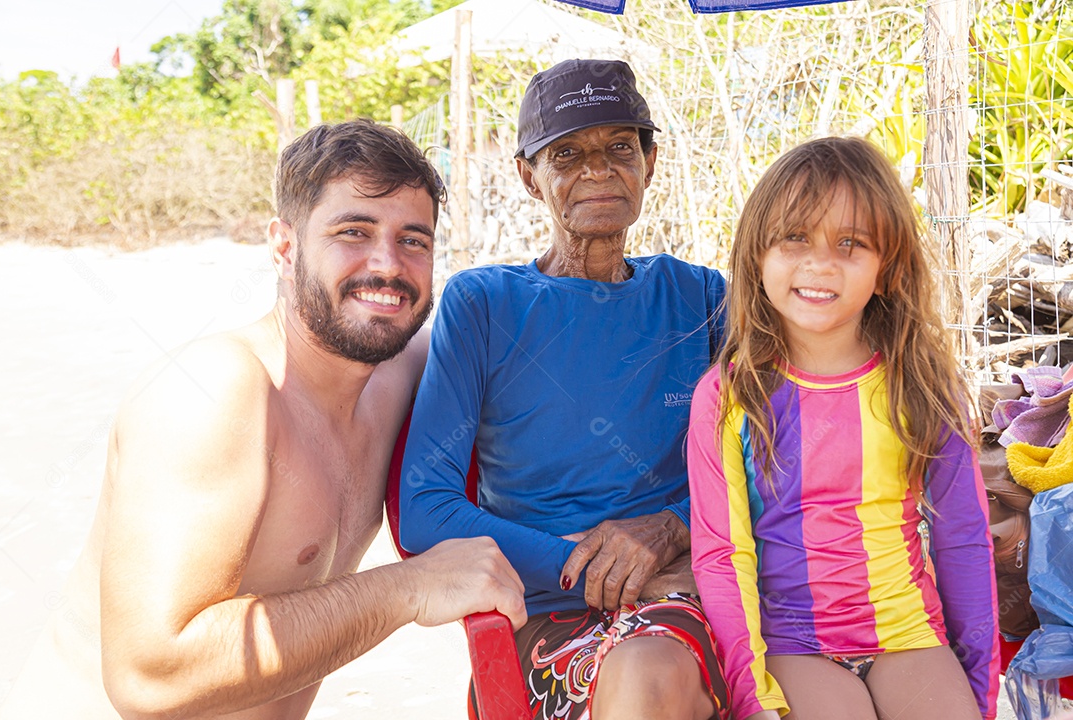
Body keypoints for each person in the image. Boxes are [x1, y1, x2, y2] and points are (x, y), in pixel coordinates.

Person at [0, 118, 526, 720]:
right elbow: (150, 678)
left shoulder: (401, 374)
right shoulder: (217, 391)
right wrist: (409, 588)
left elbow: (541, 351)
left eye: (415, 240)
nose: (387, 265)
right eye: (353, 231)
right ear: (284, 247)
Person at [400, 58, 730, 720]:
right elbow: (424, 507)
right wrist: (594, 568)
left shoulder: (701, 298)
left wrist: (672, 529)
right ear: (529, 175)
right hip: (544, 610)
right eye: (569, 153)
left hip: (691, 588)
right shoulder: (486, 305)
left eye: (619, 147)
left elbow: (764, 467)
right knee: (642, 676)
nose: (599, 169)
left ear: (651, 162)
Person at [687, 136, 1000, 720]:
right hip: (790, 646)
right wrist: (751, 695)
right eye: (795, 238)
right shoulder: (730, 397)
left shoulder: (921, 385)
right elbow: (723, 556)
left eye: (850, 244)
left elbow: (963, 538)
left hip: (908, 635)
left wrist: (980, 690)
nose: (819, 263)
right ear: (758, 255)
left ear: (887, 270)